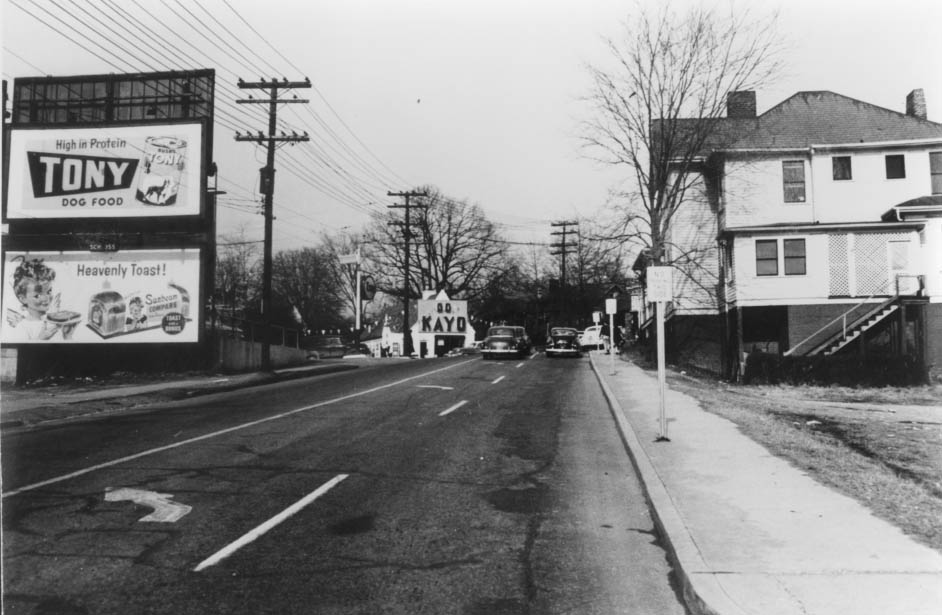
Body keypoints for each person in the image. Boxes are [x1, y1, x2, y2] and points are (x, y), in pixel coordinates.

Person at [5, 257, 76, 341]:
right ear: (23, 298)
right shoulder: (23, 327)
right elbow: (25, 352)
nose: (46, 298)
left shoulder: (55, 323)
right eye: (37, 295)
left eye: (49, 291)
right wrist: (41, 339)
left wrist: (67, 336)